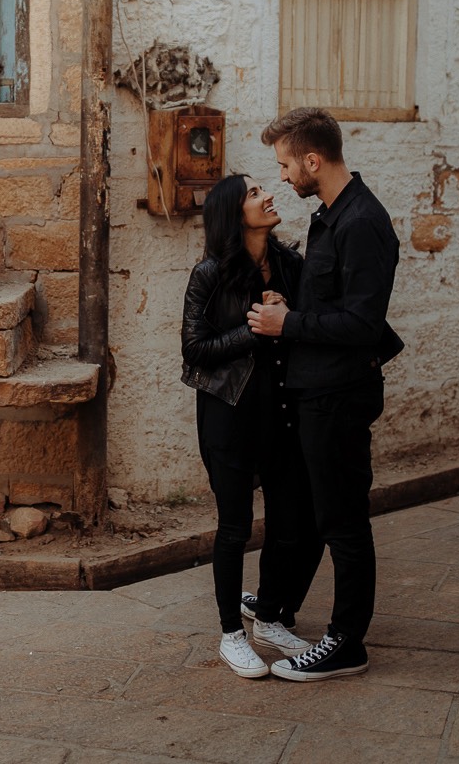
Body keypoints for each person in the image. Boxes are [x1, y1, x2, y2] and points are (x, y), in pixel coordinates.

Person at [247, 107, 401, 682]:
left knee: (344, 523)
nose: (284, 176)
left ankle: (345, 643)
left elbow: (361, 323)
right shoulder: (330, 215)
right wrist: (295, 312)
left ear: (313, 160)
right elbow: (333, 307)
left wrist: (288, 326)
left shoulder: (362, 222)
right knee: (323, 515)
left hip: (339, 395)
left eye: (286, 164)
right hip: (316, 392)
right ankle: (298, 617)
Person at [181, 174, 324, 679]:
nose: (268, 195)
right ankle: (232, 635)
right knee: (235, 529)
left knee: (289, 524)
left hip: (282, 414)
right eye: (254, 192)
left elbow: (309, 319)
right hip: (229, 415)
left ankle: (267, 618)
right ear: (233, 213)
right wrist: (253, 332)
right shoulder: (210, 274)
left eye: (265, 187)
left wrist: (291, 314)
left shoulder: (288, 263)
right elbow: (193, 351)